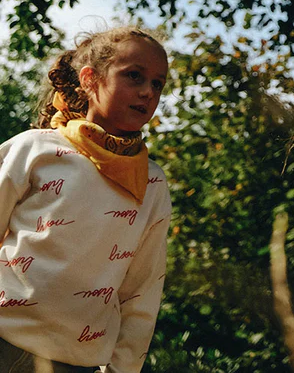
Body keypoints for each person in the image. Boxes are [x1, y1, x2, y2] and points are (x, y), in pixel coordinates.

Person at [0, 27, 172, 373]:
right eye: (134, 76)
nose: (147, 92)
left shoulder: (152, 182)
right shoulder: (35, 148)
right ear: (90, 80)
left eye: (157, 84)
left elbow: (142, 291)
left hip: (76, 363)